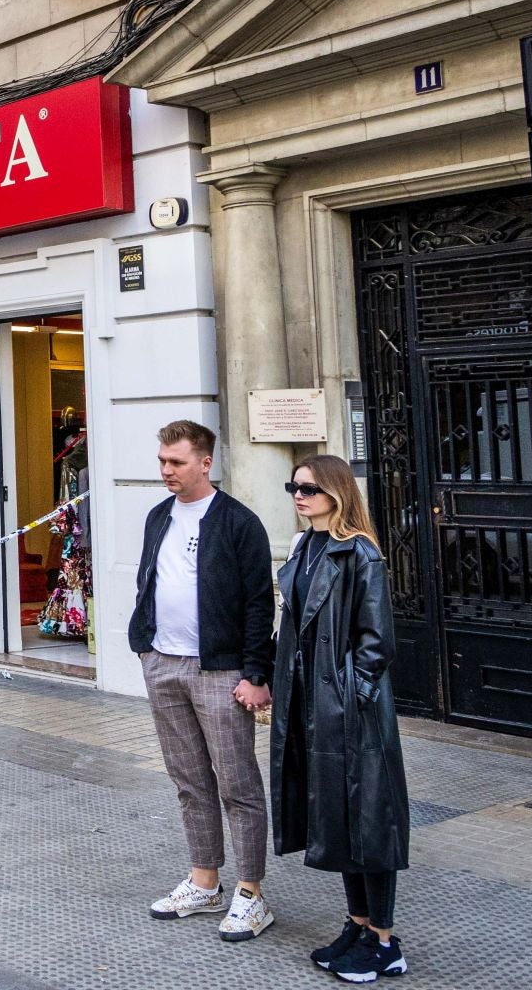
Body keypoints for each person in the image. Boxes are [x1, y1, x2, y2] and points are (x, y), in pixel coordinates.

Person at [127, 420, 277, 942]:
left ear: (205, 462)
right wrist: (144, 645)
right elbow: (149, 579)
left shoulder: (238, 522)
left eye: (177, 462)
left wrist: (257, 673)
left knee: (238, 784)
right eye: (163, 462)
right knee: (189, 779)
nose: (166, 471)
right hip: (163, 663)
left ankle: (251, 893)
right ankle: (205, 880)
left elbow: (260, 604)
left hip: (219, 668)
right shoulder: (157, 517)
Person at [272, 454, 411, 983]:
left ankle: (384, 940)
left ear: (336, 491)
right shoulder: (306, 547)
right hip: (312, 706)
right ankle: (357, 923)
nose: (299, 496)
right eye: (294, 488)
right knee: (338, 818)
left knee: (369, 821)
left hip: (351, 711)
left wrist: (351, 697)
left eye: (308, 488)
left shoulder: (361, 555)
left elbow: (377, 644)